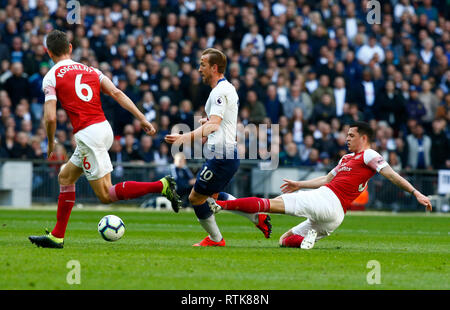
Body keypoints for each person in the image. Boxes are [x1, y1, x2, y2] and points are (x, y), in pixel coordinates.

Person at [29, 30, 181, 249]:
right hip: (103, 128)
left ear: (48, 52)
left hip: (89, 135)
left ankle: (162, 185)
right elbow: (118, 93)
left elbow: (51, 117)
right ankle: (57, 236)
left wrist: (51, 142)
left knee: (106, 195)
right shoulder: (91, 70)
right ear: (70, 48)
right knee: (65, 177)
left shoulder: (51, 76)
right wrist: (142, 119)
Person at [208, 122, 432, 250]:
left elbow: (391, 175)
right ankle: (309, 237)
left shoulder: (369, 154)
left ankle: (221, 205)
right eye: (347, 135)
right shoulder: (346, 159)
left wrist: (416, 192)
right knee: (285, 240)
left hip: (328, 201)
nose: (347, 139)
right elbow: (326, 179)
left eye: (351, 135)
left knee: (270, 204)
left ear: (364, 138)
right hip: (334, 215)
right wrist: (299, 184)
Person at [165, 48, 272, 247]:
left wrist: (184, 138)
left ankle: (216, 239)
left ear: (214, 68)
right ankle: (257, 218)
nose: (199, 69)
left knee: (195, 198)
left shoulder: (219, 92)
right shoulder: (227, 88)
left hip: (223, 155)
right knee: (213, 197)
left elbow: (215, 124)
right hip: (224, 153)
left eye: (202, 65)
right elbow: (221, 121)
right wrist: (209, 125)